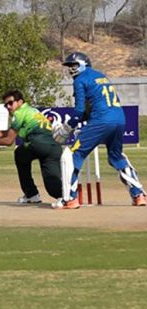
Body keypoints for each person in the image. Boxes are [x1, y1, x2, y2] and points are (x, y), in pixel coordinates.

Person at [54, 52, 146, 209]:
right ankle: (139, 194)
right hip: (119, 119)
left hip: (100, 121)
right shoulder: (101, 76)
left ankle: (70, 198)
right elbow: (93, 108)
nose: (71, 70)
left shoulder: (80, 80)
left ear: (84, 64)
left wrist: (67, 127)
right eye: (69, 66)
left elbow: (80, 111)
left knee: (72, 154)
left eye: (74, 65)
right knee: (116, 157)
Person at [0, 90, 63, 204]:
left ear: (20, 101)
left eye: (10, 103)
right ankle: (65, 197)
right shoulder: (32, 110)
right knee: (52, 182)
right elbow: (8, 133)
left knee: (19, 154)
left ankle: (31, 194)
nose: (8, 106)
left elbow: (8, 141)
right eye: (5, 105)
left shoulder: (18, 114)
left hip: (38, 144)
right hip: (54, 146)